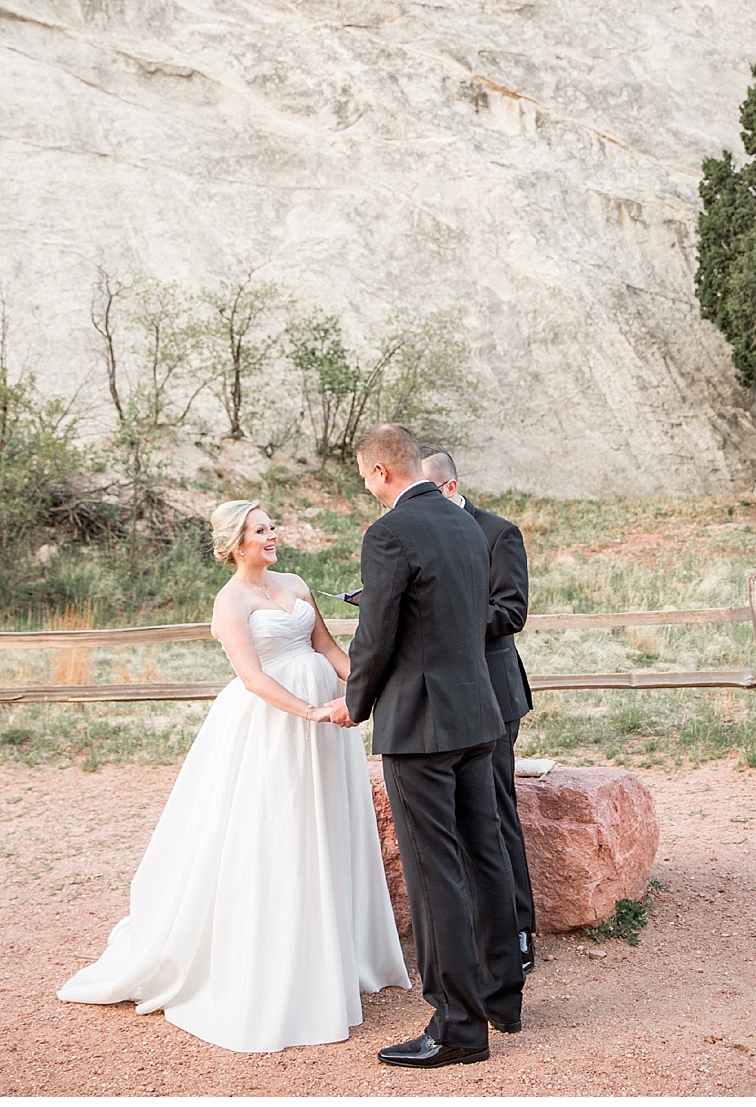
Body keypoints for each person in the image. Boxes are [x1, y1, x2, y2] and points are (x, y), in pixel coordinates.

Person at [58, 501, 408, 1052]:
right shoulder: (230, 602)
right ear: (236, 543)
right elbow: (251, 678)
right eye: (260, 530)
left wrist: (371, 689)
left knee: (328, 830)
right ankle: (276, 963)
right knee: (278, 834)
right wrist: (310, 710)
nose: (272, 535)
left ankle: (337, 954)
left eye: (272, 526)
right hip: (274, 726)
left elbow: (328, 650)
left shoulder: (295, 583)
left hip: (327, 728)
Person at [321, 423, 524, 1068]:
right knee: (484, 852)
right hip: (477, 714)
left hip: (421, 725)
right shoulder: (468, 523)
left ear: (381, 471)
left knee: (435, 872)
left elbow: (377, 637)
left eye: (364, 478)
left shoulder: (388, 534)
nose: (368, 490)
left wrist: (354, 703)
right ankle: (501, 995)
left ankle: (459, 1026)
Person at [421, 446, 538, 974]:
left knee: (494, 808)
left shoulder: (497, 533)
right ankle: (472, 930)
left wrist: (446, 616)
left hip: (491, 688)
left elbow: (510, 611)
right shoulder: (420, 532)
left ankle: (516, 931)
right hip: (440, 696)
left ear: (447, 488)